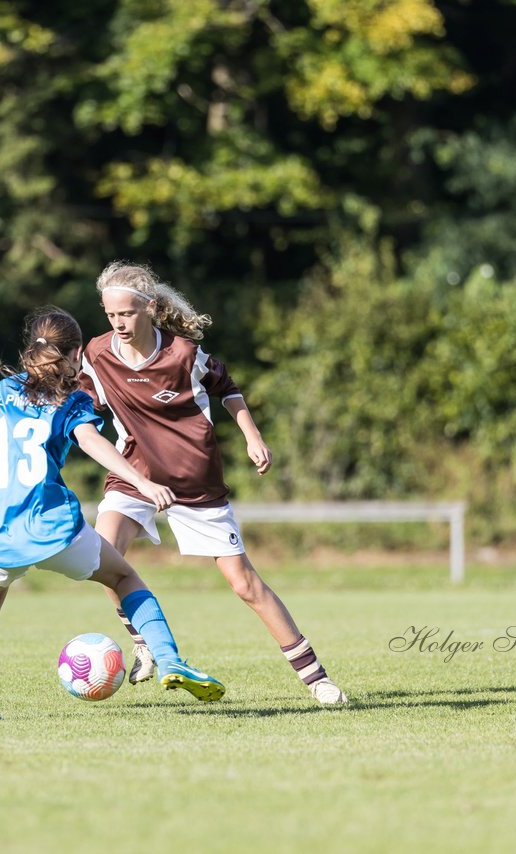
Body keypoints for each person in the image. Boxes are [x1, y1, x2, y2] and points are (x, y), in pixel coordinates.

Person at [0, 306, 226, 722]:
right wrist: (144, 482)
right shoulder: (69, 400)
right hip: (52, 529)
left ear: (30, 350)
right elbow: (93, 443)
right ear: (75, 354)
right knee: (122, 576)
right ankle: (169, 660)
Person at [78, 262, 349, 706]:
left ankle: (316, 679)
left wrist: (252, 435)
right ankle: (145, 640)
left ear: (148, 307)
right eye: (110, 315)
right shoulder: (97, 353)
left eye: (126, 314)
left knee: (244, 585)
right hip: (134, 475)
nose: (118, 324)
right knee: (102, 555)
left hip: (194, 482)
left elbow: (227, 388)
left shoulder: (183, 355)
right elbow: (81, 409)